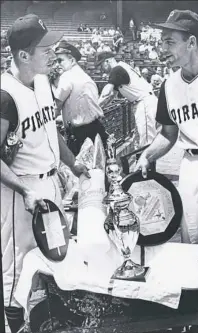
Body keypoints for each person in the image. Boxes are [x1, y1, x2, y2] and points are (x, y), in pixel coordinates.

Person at [0, 14, 90, 333]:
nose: (52, 54)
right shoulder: (5, 94)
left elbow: (52, 133)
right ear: (24, 55)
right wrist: (25, 191)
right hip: (21, 193)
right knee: (18, 269)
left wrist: (73, 163)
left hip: (50, 186)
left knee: (54, 255)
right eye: (45, 49)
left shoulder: (40, 81)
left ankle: (48, 321)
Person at [135, 10, 198, 258]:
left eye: (170, 42)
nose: (162, 48)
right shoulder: (169, 85)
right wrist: (148, 155)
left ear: (191, 42)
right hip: (189, 166)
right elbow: (168, 134)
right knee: (193, 242)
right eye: (161, 41)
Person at [54, 40, 108, 156]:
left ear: (72, 60)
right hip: (95, 127)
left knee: (79, 170)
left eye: (60, 61)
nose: (57, 65)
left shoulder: (67, 76)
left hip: (80, 134)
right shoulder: (84, 75)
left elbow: (56, 106)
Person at [97, 52, 159, 148]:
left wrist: (95, 107)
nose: (101, 68)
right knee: (139, 143)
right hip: (143, 103)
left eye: (101, 65)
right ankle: (142, 162)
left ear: (107, 61)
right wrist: (100, 108)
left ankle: (149, 162)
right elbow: (112, 94)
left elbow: (107, 92)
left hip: (145, 103)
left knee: (147, 142)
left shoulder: (116, 69)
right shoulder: (121, 67)